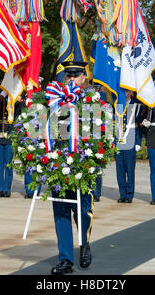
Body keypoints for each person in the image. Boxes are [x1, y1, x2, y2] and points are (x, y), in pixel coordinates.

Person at [50, 61, 93, 275]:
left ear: (84, 77)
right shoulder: (53, 99)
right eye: (68, 76)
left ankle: (84, 243)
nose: (71, 79)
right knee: (61, 213)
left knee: (83, 211)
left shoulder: (91, 100)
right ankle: (65, 258)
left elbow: (101, 129)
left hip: (82, 162)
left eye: (76, 76)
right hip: (57, 161)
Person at [115, 90, 143, 203]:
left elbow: (139, 126)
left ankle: (130, 194)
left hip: (131, 140)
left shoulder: (137, 106)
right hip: (119, 141)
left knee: (130, 169)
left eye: (126, 91)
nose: (125, 93)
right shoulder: (117, 105)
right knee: (120, 169)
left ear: (130, 92)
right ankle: (122, 194)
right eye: (123, 91)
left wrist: (138, 142)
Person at [0, 92, 20, 197]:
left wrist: (16, 101)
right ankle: (0, 189)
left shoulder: (15, 102)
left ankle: (7, 189)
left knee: (8, 164)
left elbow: (19, 113)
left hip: (10, 135)